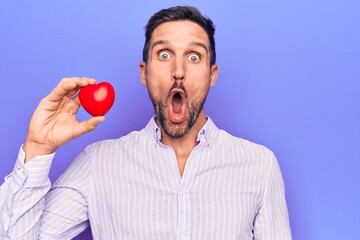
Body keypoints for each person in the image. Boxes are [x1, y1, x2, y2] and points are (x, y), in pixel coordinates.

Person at [0, 6, 291, 239]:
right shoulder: (99, 163)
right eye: (164, 55)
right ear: (144, 72)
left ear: (212, 75)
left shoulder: (259, 165)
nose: (178, 71)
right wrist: (38, 147)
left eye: (193, 56)